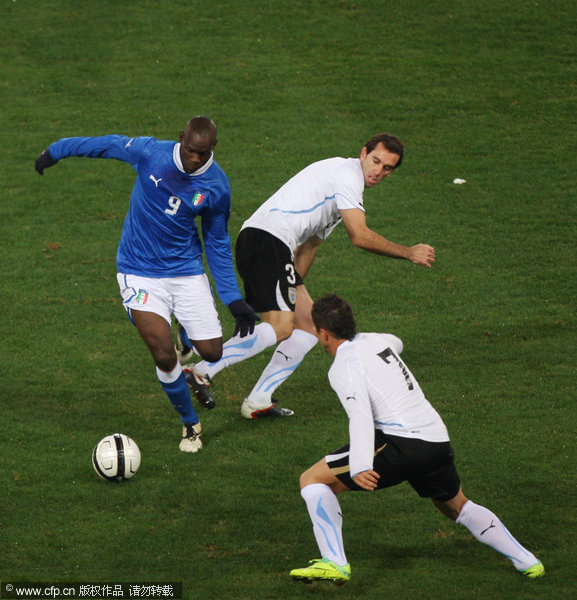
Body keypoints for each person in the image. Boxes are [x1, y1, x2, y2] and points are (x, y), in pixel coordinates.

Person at [34, 116, 258, 453]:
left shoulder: (216, 186)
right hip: (137, 270)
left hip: (184, 271)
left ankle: (185, 333)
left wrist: (232, 299)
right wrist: (57, 150)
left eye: (203, 152)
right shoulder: (151, 153)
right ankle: (190, 422)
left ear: (214, 147)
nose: (194, 158)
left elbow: (216, 240)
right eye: (190, 150)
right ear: (181, 138)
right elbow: (107, 144)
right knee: (162, 352)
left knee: (211, 351)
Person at [288, 293, 545, 584]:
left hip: (401, 444)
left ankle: (334, 562)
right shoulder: (377, 340)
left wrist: (360, 465)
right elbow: (396, 341)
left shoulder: (342, 367)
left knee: (312, 480)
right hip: (436, 441)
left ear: (323, 333)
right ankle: (527, 560)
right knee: (454, 504)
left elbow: (359, 416)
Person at [180, 133, 435, 419]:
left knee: (310, 327)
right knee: (280, 328)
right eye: (376, 161)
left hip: (271, 246)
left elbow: (309, 245)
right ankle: (201, 371)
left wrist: (290, 287)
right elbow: (360, 236)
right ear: (364, 153)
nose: (378, 171)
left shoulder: (344, 189)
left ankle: (259, 400)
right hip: (267, 240)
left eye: (387, 168)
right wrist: (408, 252)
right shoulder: (347, 176)